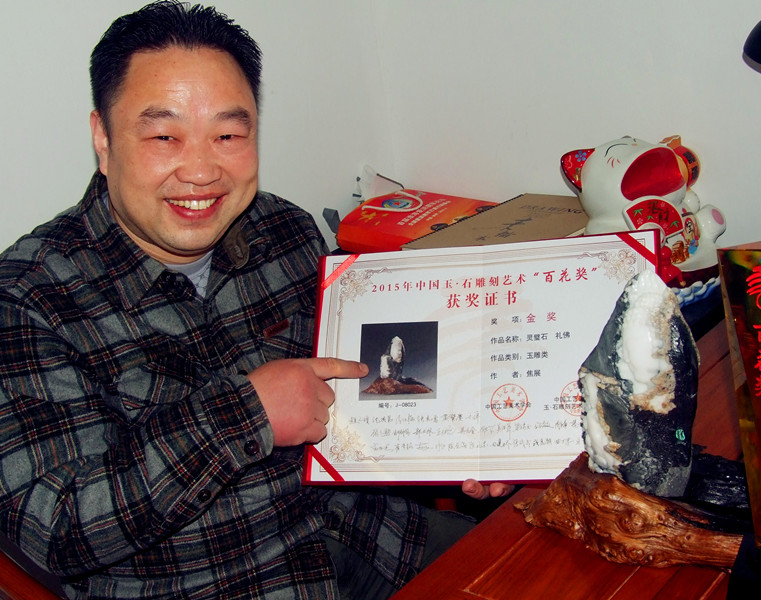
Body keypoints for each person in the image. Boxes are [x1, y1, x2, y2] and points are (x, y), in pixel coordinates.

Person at [0, 2, 511, 599]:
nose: (200, 171)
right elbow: (59, 529)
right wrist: (247, 413)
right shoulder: (27, 298)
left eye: (227, 135)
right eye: (164, 136)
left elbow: (359, 400)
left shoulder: (283, 230)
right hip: (220, 581)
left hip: (374, 535)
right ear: (104, 138)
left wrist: (458, 439)